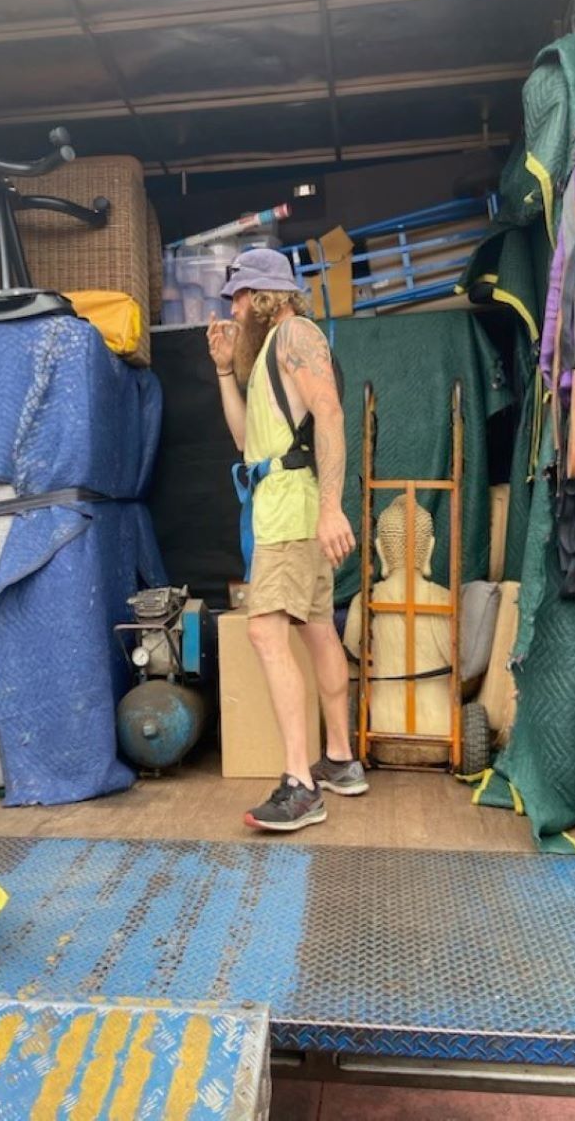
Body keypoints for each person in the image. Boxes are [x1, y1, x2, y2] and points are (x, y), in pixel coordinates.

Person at [207, 247, 368, 832]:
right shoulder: (269, 353)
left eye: (237, 300)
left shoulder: (295, 332)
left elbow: (329, 415)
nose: (233, 311)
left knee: (265, 629)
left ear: (257, 297)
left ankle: (300, 784)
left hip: (293, 513)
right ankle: (341, 761)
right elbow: (248, 440)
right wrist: (227, 370)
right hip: (278, 506)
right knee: (316, 628)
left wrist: (331, 508)